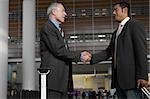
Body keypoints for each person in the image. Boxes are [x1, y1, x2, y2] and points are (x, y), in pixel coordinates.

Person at [84, 1, 148, 99]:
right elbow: (108, 52)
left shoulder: (135, 26)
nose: (113, 13)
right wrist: (91, 57)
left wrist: (143, 76)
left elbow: (141, 51)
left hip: (132, 81)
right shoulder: (116, 32)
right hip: (119, 81)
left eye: (116, 10)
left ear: (125, 10)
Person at [40, 2, 91, 99]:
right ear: (54, 12)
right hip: (54, 80)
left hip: (63, 80)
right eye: (63, 11)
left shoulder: (60, 30)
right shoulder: (47, 28)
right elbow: (59, 50)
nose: (65, 14)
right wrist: (80, 56)